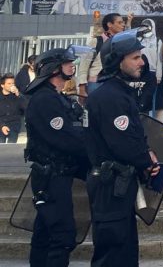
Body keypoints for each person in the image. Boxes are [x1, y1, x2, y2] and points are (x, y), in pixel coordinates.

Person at [84, 30, 160, 266]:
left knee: (125, 251)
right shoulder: (111, 97)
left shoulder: (116, 93)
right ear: (118, 62)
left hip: (119, 182)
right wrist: (146, 161)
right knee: (113, 252)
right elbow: (123, 141)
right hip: (110, 183)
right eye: (135, 57)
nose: (141, 62)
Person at [23, 46, 90, 267]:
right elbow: (64, 138)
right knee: (62, 234)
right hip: (51, 176)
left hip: (59, 174)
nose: (72, 65)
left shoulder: (54, 97)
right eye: (67, 62)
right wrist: (95, 149)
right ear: (53, 69)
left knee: (45, 233)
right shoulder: (44, 99)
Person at [79, 14, 125, 97]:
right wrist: (82, 89)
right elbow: (84, 65)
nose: (123, 25)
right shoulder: (96, 41)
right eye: (119, 22)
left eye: (123, 22)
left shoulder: (121, 43)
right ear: (109, 24)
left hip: (115, 83)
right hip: (96, 83)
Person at [0, 73, 26, 142]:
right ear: (2, 85)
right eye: (9, 83)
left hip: (14, 127)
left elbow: (26, 107)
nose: (12, 85)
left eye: (13, 83)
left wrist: (18, 94)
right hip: (1, 126)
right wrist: (2, 126)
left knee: (11, 149)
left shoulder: (17, 96)